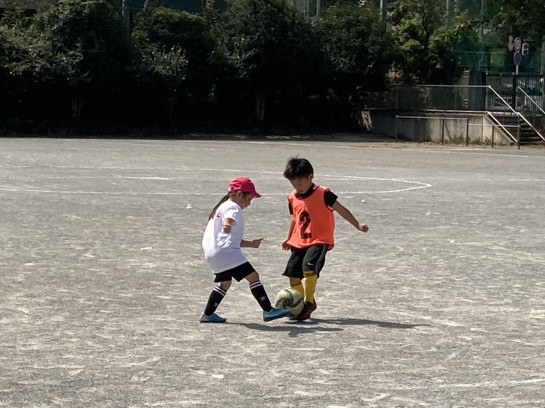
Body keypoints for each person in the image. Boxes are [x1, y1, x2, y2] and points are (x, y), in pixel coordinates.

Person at [281, 157, 369, 321]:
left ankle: (307, 303)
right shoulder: (291, 197)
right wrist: (288, 238)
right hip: (299, 241)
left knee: (309, 268)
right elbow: (295, 218)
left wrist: (357, 224)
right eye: (294, 184)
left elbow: (341, 209)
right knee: (293, 276)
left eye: (301, 183)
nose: (298, 187)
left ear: (311, 176)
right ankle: (303, 303)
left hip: (319, 240)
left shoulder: (323, 193)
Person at [200, 176, 290, 323]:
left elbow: (227, 239)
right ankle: (268, 310)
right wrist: (227, 225)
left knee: (225, 283)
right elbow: (227, 222)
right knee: (253, 277)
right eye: (249, 198)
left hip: (212, 254)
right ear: (240, 194)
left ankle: (207, 314)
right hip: (227, 253)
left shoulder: (220, 208)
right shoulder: (233, 207)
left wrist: (251, 244)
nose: (249, 203)